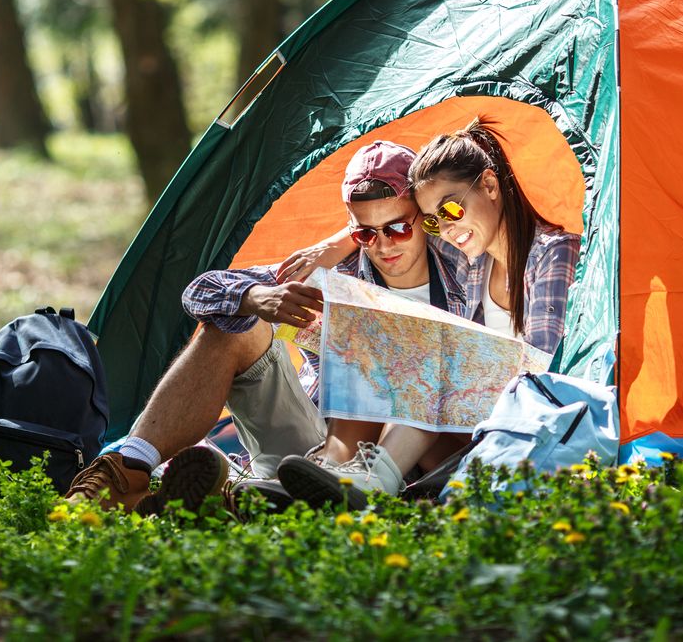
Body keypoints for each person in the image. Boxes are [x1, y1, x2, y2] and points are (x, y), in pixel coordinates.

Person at [64, 141, 464, 513]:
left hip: (416, 459)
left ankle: (234, 499)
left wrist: (341, 239)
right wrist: (257, 298)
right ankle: (127, 470)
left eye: (398, 227)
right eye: (365, 232)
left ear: (423, 214)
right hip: (317, 455)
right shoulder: (330, 272)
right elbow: (199, 292)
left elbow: (470, 164)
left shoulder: (465, 264)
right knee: (233, 323)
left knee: (428, 361)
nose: (384, 245)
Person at [276, 118, 581, 508]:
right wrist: (341, 243)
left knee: (436, 352)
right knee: (412, 344)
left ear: (490, 186)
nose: (448, 228)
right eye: (437, 220)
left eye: (452, 208)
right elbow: (391, 221)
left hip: (537, 426)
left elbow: (545, 376)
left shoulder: (551, 253)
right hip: (472, 429)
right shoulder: (474, 263)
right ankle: (356, 475)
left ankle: (370, 481)